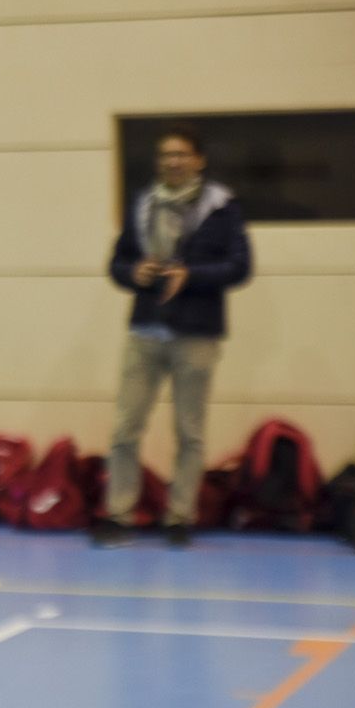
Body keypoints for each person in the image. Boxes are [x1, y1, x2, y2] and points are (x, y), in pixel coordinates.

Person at [94, 122, 251, 549]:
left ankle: (180, 517)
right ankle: (118, 514)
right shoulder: (143, 203)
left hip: (196, 333)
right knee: (125, 428)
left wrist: (192, 275)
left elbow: (240, 267)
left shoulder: (222, 207)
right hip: (145, 329)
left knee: (189, 432)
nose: (173, 161)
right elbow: (116, 264)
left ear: (198, 161)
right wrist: (134, 272)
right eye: (166, 155)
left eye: (181, 154)